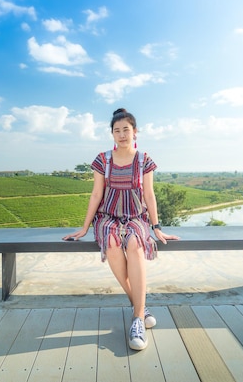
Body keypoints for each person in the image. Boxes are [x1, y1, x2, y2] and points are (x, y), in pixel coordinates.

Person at [63, 108, 179, 351]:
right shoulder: (102, 159)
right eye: (117, 131)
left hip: (136, 215)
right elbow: (96, 194)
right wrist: (84, 228)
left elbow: (149, 194)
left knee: (135, 244)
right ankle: (140, 307)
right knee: (114, 243)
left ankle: (137, 319)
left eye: (126, 129)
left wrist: (156, 227)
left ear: (135, 132)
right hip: (108, 216)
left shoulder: (144, 159)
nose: (122, 134)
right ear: (112, 134)